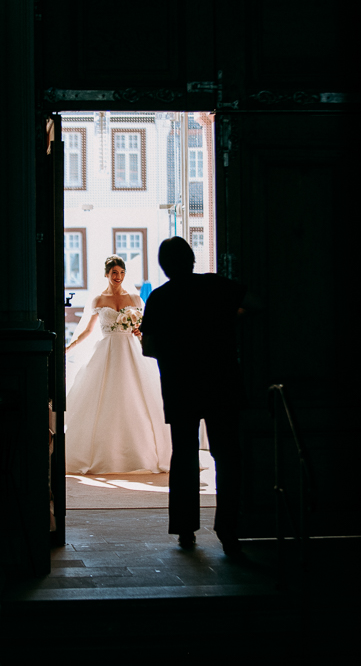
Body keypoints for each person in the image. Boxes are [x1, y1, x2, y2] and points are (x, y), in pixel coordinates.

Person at [140, 237, 247, 556]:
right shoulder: (216, 286)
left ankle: (186, 528)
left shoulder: (159, 297)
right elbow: (256, 303)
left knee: (184, 455)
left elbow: (149, 347)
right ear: (192, 259)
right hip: (221, 381)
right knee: (227, 456)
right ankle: (229, 530)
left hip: (180, 383)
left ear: (164, 265)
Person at [63, 255, 173, 474]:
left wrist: (139, 331)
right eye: (114, 273)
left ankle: (144, 453)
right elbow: (88, 330)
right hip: (107, 351)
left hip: (131, 351)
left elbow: (143, 327)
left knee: (137, 396)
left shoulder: (134, 298)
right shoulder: (97, 300)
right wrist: (69, 347)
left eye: (121, 273)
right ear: (106, 274)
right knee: (104, 397)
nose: (118, 277)